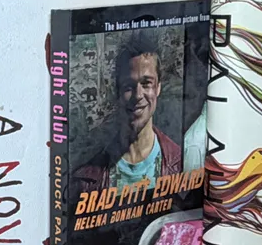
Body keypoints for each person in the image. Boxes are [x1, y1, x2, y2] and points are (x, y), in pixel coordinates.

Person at [73, 31, 182, 191]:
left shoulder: (180, 164)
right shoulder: (87, 180)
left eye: (146, 83)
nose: (138, 95)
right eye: (129, 86)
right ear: (117, 91)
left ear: (158, 87)